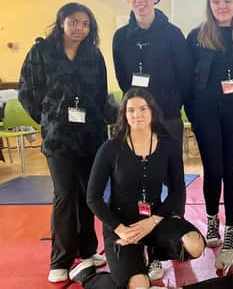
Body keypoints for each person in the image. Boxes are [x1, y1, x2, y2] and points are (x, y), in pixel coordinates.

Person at [78, 88, 204, 289]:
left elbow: (177, 190)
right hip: (122, 224)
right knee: (138, 286)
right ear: (124, 115)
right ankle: (86, 276)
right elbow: (93, 197)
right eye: (131, 110)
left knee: (195, 245)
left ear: (152, 111)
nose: (137, 115)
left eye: (143, 109)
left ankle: (149, 251)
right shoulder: (110, 149)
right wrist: (120, 230)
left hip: (155, 218)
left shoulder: (168, 146)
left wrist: (154, 221)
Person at [18, 3, 108, 283]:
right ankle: (61, 259)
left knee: (88, 195)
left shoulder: (93, 55)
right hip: (58, 139)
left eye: (85, 23)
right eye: (73, 22)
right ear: (61, 23)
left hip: (91, 135)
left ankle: (88, 250)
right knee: (64, 196)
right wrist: (49, 118)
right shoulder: (41, 52)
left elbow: (102, 92)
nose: (79, 28)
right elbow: (27, 93)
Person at [113, 0, 192, 280]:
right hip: (137, 120)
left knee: (173, 178)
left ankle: (173, 237)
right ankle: (146, 246)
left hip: (168, 117)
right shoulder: (121, 36)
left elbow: (185, 75)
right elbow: (122, 77)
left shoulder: (172, 34)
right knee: (139, 180)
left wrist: (171, 106)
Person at [186, 0, 233, 251]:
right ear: (210, 5)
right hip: (206, 113)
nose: (222, 6)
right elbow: (187, 80)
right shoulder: (196, 36)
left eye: (227, 0)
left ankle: (232, 227)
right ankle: (212, 218)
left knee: (231, 171)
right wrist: (192, 114)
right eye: (217, 1)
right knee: (212, 170)